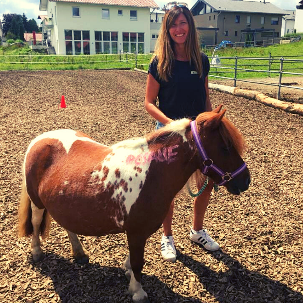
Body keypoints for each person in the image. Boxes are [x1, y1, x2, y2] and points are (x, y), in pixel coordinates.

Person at [144, 4, 220, 263]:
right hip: (170, 133)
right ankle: (167, 236)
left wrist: (212, 123)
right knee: (168, 188)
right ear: (167, 29)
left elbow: (206, 96)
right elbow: (149, 103)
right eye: (173, 24)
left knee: (206, 182)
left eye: (183, 23)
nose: (178, 29)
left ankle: (197, 231)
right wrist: (172, 125)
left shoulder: (202, 60)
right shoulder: (159, 63)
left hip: (199, 134)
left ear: (190, 25)